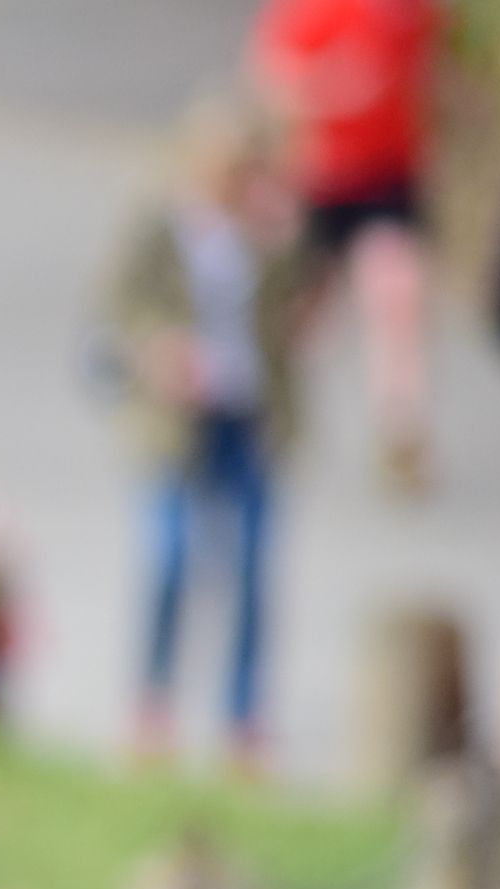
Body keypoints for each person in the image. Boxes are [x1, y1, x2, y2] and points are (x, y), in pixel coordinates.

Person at [104, 97, 318, 776]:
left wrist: (287, 243)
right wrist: (158, 349)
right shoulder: (161, 224)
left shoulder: (270, 232)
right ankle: (153, 702)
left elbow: (305, 306)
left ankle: (243, 717)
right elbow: (116, 307)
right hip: (178, 423)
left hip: (247, 416)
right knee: (170, 558)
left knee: (252, 567)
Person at [250, 0, 441, 493]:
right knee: (303, 314)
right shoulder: (312, 11)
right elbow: (270, 84)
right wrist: (330, 88)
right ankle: (266, 410)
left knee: (395, 297)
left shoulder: (412, 12)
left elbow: (431, 74)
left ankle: (400, 430)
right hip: (320, 179)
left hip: (387, 180)